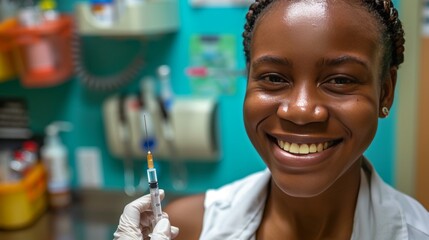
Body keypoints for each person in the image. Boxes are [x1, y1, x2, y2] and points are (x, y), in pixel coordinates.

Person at [113, 0, 429, 239]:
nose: (301, 110)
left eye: (341, 80)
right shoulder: (187, 228)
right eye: (275, 78)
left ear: (385, 93)